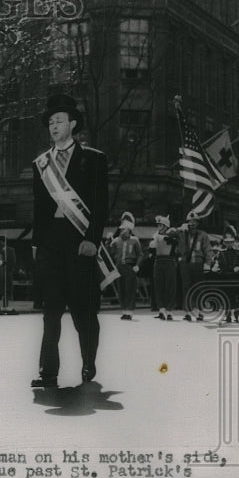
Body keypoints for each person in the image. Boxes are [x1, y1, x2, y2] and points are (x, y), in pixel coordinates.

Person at [30, 94, 108, 388]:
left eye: (59, 120)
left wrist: (92, 239)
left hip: (80, 243)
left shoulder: (94, 159)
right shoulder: (41, 164)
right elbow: (38, 208)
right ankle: (47, 370)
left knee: (82, 311)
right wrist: (37, 245)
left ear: (72, 124)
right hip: (51, 245)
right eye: (50, 122)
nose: (53, 126)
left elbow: (101, 205)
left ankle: (88, 362)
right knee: (50, 311)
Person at [176, 211, 212, 322]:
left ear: (198, 223)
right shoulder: (182, 233)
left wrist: (208, 263)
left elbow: (208, 250)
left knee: (198, 287)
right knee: (186, 287)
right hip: (185, 264)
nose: (192, 224)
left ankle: (199, 311)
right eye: (190, 222)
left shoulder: (203, 235)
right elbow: (170, 232)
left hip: (198, 263)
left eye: (194, 222)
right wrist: (180, 228)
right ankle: (187, 311)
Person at [110, 212, 142, 320]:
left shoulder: (135, 240)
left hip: (130, 267)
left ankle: (130, 311)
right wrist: (107, 241)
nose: (122, 231)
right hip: (119, 267)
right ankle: (124, 310)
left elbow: (140, 254)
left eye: (125, 229)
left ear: (129, 229)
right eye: (121, 229)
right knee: (121, 289)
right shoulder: (116, 241)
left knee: (130, 289)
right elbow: (110, 253)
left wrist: (137, 265)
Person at [213, 224, 239, 323]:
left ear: (234, 242)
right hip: (225, 277)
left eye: (231, 242)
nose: (229, 244)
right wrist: (216, 267)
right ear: (224, 242)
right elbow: (218, 263)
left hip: (236, 278)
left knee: (236, 297)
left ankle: (237, 315)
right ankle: (227, 315)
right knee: (226, 296)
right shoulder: (222, 253)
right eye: (227, 242)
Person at [151, 215, 178, 321]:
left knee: (170, 286)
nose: (159, 226)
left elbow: (176, 244)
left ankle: (170, 310)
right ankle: (161, 309)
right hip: (158, 261)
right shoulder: (155, 236)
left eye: (161, 225)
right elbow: (152, 248)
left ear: (166, 226)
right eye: (158, 225)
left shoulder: (171, 235)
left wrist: (171, 237)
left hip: (169, 261)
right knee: (159, 286)